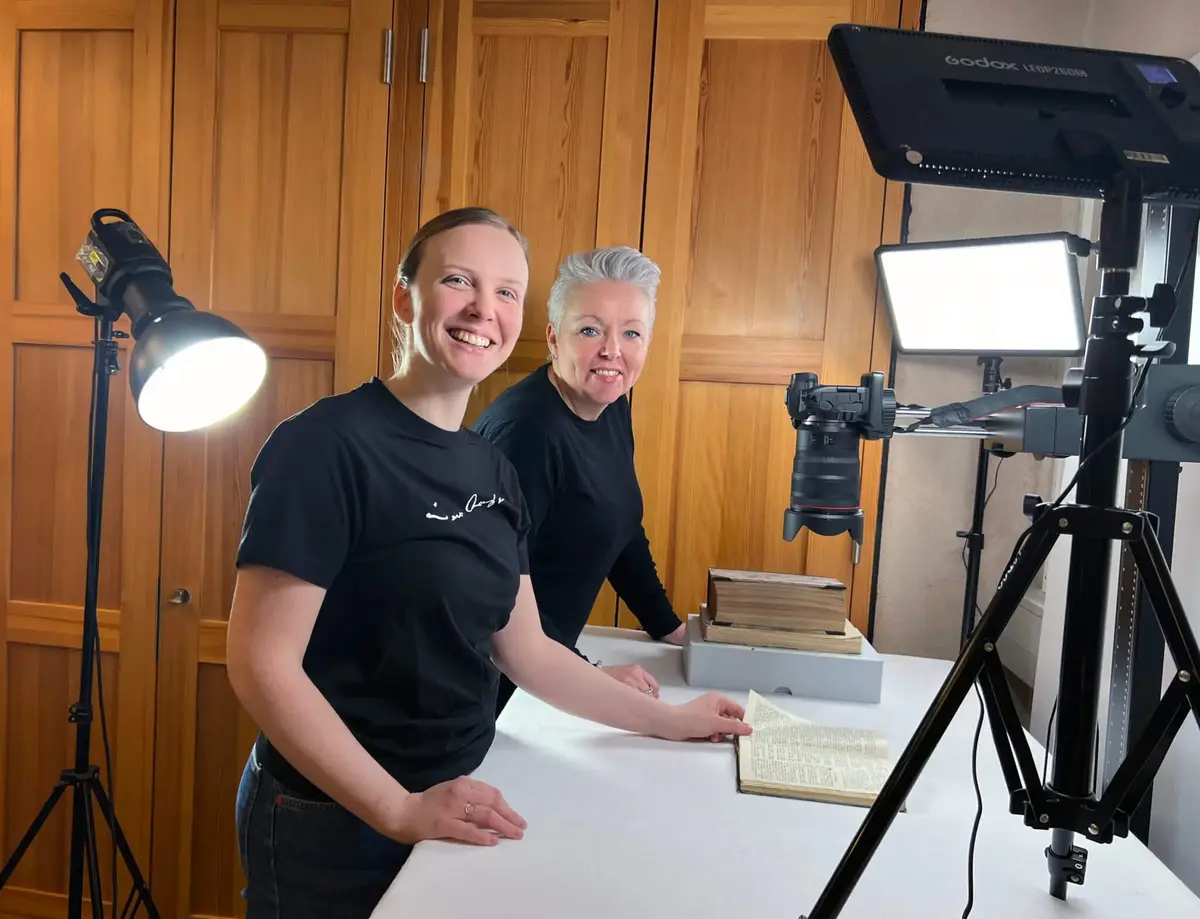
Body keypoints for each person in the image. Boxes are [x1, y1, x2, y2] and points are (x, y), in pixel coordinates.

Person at [226, 206, 751, 919]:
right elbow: (262, 664)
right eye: (459, 280)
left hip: (457, 789)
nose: (484, 308)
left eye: (506, 291)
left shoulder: (491, 469)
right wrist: (398, 808)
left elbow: (528, 648)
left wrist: (672, 719)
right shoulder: (324, 448)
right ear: (403, 298)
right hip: (334, 819)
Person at [471, 246, 684, 714]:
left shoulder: (611, 405)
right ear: (553, 337)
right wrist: (589, 673)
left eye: (631, 333)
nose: (613, 350)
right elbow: (489, 594)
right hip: (483, 687)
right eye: (590, 330)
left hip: (543, 676)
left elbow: (620, 525)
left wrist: (668, 627)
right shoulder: (526, 435)